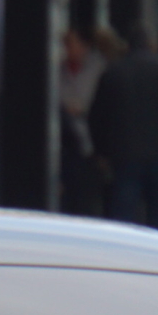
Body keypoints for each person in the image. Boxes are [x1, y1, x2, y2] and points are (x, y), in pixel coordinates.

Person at [89, 25, 158, 233]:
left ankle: (123, 255)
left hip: (124, 156)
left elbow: (97, 116)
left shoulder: (113, 72)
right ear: (153, 44)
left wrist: (101, 151)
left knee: (123, 216)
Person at [59, 26, 109, 215]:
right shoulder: (58, 69)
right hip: (66, 142)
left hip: (92, 141)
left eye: (70, 44)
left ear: (84, 46)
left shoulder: (99, 68)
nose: (66, 48)